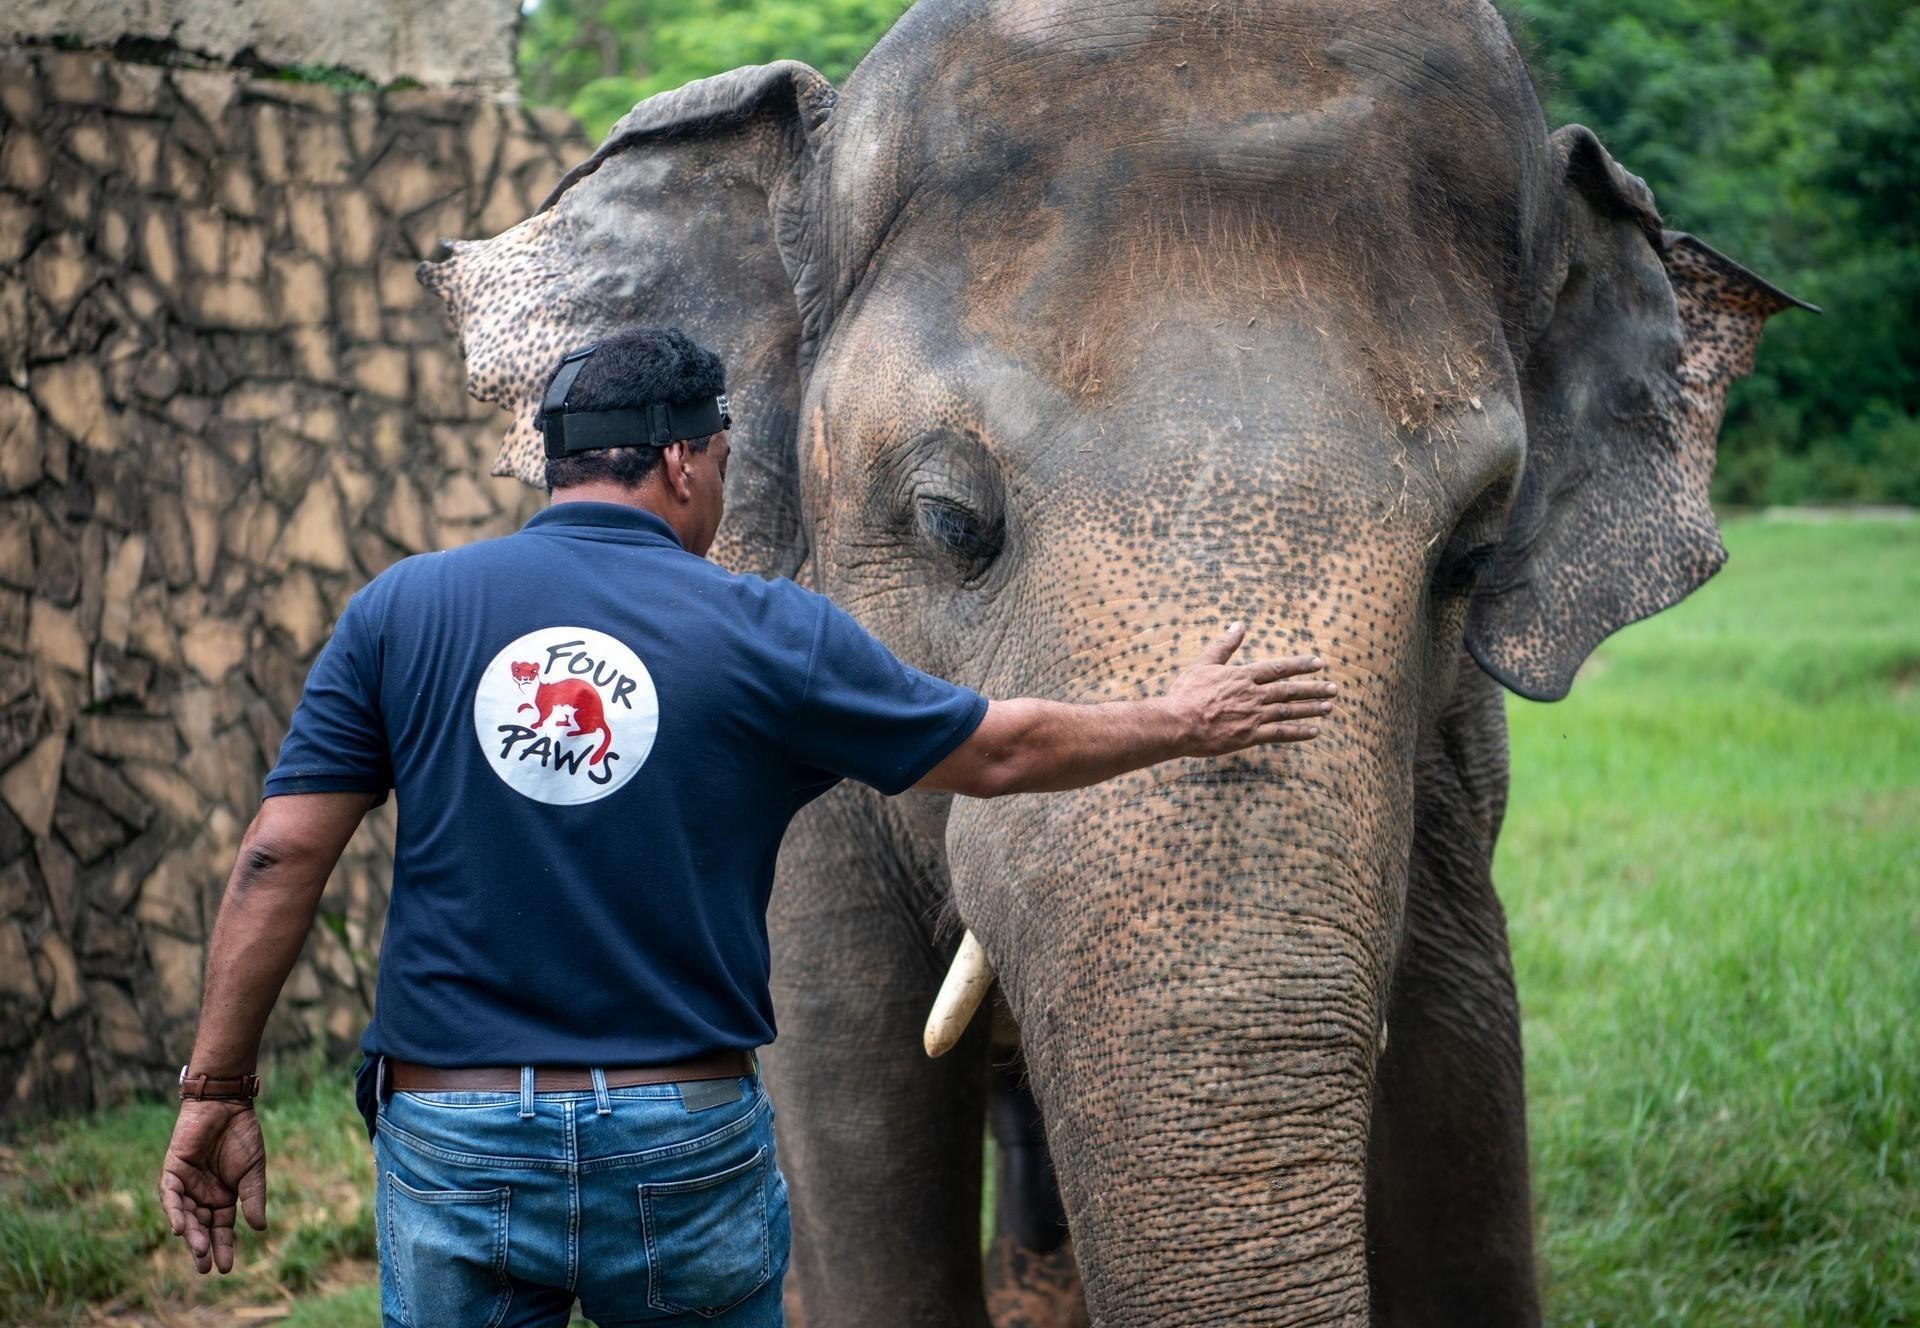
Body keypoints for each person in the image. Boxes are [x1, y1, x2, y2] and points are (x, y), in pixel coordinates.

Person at [157, 327, 1337, 1325]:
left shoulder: (401, 610)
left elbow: (279, 857)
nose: (717, 491)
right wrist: (1181, 720)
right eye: (718, 461)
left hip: (455, 1130)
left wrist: (216, 1086)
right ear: (680, 460)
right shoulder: (770, 630)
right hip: (678, 1136)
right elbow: (1002, 749)